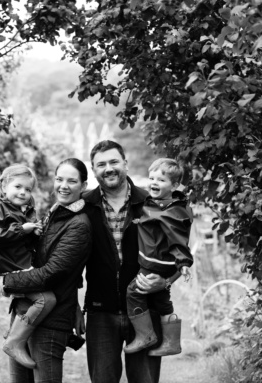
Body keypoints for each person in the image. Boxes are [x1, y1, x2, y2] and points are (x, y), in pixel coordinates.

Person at [81, 140, 176, 383]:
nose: (108, 168)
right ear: (93, 170)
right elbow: (69, 262)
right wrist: (72, 304)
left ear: (125, 163)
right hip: (100, 313)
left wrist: (164, 281)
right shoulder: (83, 207)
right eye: (101, 164)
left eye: (114, 161)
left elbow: (178, 254)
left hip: (146, 309)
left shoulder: (152, 204)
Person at [0, 158, 92, 383]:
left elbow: (53, 272)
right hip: (24, 313)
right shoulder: (55, 214)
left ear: (84, 186)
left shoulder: (78, 224)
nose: (63, 186)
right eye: (59, 179)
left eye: (72, 181)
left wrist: (8, 282)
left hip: (50, 322)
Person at [0, 164, 52, 369]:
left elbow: (22, 244)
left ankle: (15, 334)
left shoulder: (24, 210)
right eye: (18, 187)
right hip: (9, 271)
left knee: (38, 301)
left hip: (21, 267)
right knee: (46, 299)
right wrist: (22, 229)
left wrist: (34, 234)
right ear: (4, 187)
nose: (23, 192)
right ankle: (14, 341)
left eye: (28, 189)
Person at [124, 158, 194, 356]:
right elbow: (152, 221)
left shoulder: (171, 210)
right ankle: (172, 343)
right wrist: (140, 221)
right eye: (152, 178)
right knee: (162, 299)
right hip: (159, 261)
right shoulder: (160, 204)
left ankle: (145, 336)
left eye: (161, 180)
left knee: (134, 292)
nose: (154, 183)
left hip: (156, 262)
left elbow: (178, 238)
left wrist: (183, 263)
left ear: (174, 185)